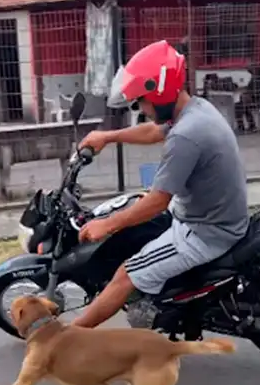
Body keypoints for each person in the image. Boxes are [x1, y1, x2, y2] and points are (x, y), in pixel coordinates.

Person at [71, 39, 249, 329]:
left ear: (161, 91)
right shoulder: (195, 109)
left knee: (125, 275)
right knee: (137, 220)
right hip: (209, 214)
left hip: (206, 231)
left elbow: (156, 202)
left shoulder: (185, 135)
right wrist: (107, 136)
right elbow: (154, 132)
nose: (141, 107)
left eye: (142, 99)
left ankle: (68, 339)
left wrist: (108, 224)